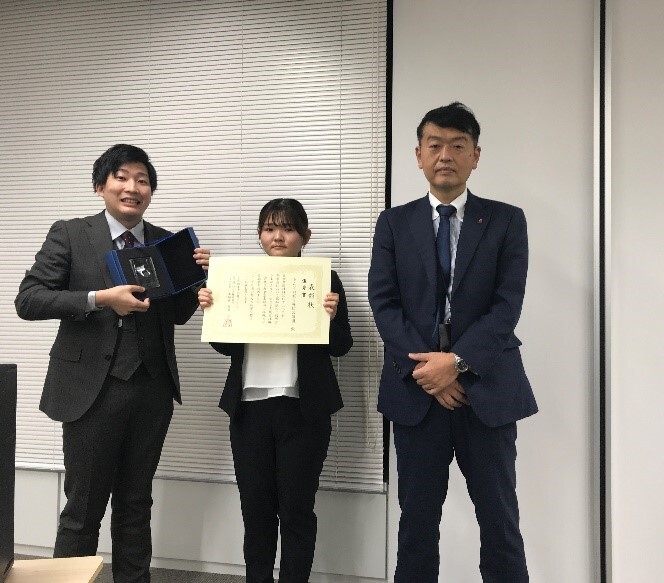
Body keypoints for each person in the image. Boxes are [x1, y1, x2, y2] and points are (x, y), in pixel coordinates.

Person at [15, 144, 211, 583]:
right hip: (91, 391)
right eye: (121, 177)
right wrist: (99, 299)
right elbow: (29, 300)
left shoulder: (167, 241)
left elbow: (175, 315)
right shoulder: (71, 233)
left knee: (136, 504)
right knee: (83, 509)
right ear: (100, 186)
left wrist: (199, 279)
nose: (132, 187)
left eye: (142, 180)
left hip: (152, 389)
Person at [368, 102, 538, 582]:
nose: (446, 155)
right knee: (416, 523)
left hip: (487, 391)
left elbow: (506, 306)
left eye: (458, 145)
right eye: (435, 145)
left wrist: (457, 363)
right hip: (417, 393)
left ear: (475, 156)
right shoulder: (393, 223)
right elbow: (385, 303)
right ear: (418, 155)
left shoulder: (507, 221)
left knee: (500, 521)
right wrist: (430, 372)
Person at [198, 198, 352, 583]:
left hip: (304, 411)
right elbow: (225, 346)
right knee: (256, 510)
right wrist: (213, 311)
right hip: (249, 411)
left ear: (305, 236)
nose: (277, 237)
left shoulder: (325, 279)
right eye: (269, 228)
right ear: (259, 235)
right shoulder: (240, 277)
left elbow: (341, 346)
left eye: (287, 228)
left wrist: (331, 317)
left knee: (296, 510)